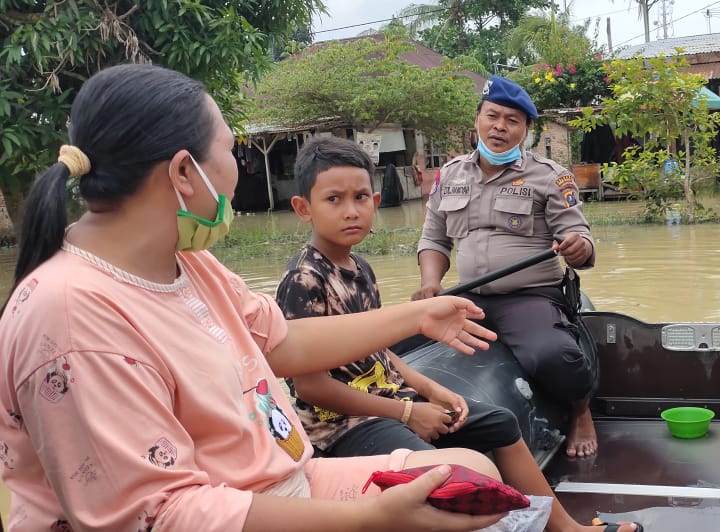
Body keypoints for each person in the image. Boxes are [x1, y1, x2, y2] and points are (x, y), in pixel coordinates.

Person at [0, 64, 510, 532]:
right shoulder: (71, 318)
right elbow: (158, 516)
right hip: (225, 514)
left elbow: (283, 343)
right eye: (228, 151)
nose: (236, 166)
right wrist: (366, 518)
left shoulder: (186, 260)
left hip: (284, 478)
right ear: (183, 172)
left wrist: (421, 313)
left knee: (469, 476)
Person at [276, 136, 641, 532]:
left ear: (376, 203)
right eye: (334, 200)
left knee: (501, 423)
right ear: (303, 208)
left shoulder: (360, 267)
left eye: (361, 197)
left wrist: (431, 391)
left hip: (390, 398)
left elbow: (377, 350)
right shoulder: (303, 279)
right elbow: (310, 386)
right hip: (344, 424)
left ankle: (566, 528)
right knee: (442, 479)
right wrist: (408, 412)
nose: (351, 211)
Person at [414, 77, 600, 459]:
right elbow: (434, 238)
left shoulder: (550, 176)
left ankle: (581, 411)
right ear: (477, 120)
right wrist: (430, 284)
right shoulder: (449, 175)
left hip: (528, 296)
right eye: (492, 116)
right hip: (467, 297)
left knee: (552, 356)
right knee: (394, 344)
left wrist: (578, 248)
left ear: (526, 130)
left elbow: (578, 235)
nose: (500, 126)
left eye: (512, 120)